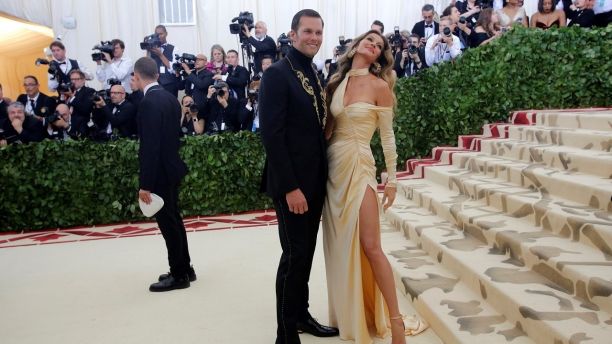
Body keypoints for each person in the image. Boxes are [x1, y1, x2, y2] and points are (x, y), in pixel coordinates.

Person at [323, 29, 423, 344]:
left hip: (360, 165)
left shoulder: (381, 87)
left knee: (371, 246)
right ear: (356, 45)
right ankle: (351, 314)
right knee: (340, 247)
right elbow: (325, 130)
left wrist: (391, 180)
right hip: (333, 169)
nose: (373, 45)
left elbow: (388, 138)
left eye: (379, 46)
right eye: (370, 40)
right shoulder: (335, 84)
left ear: (380, 56)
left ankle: (395, 323)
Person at [259, 9, 339, 344]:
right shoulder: (278, 74)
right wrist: (291, 187)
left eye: (319, 32)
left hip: (314, 182)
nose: (314, 38)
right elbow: (272, 135)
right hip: (293, 186)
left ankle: (302, 316)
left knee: (304, 255)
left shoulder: (314, 73)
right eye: (308, 31)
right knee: (294, 256)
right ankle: (286, 333)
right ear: (293, 35)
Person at [132, 56, 194, 292]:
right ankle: (185, 268)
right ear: (157, 74)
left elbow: (150, 146)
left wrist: (145, 184)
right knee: (175, 220)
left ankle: (179, 275)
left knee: (169, 224)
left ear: (137, 76)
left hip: (159, 173)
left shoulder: (148, 103)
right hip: (172, 168)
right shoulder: (169, 98)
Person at [147, 25, 181, 97]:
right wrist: (148, 50)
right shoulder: (151, 49)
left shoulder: (174, 49)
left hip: (170, 85)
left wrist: (160, 55)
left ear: (166, 34)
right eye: (157, 34)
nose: (159, 36)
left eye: (161, 34)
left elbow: (175, 69)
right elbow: (147, 65)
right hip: (155, 84)